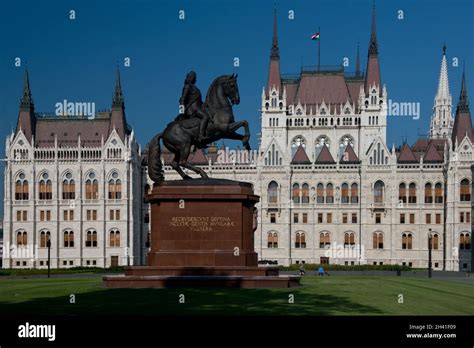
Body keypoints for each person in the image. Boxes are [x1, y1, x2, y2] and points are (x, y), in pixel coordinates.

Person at [179, 71, 209, 143]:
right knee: (205, 117)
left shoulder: (195, 88)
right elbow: (182, 99)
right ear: (190, 78)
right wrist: (181, 113)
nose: (194, 78)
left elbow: (198, 101)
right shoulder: (187, 86)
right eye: (193, 77)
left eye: (194, 77)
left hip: (197, 108)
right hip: (192, 110)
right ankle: (201, 136)